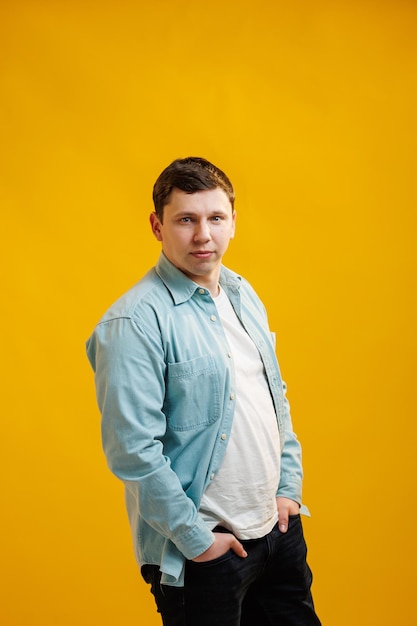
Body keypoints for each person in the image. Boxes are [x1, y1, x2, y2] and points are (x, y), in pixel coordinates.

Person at [86, 157, 321, 626]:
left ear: (233, 220)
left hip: (276, 532)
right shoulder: (133, 322)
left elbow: (275, 394)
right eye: (186, 220)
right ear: (157, 225)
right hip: (205, 553)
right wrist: (197, 540)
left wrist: (288, 490)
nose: (203, 235)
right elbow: (133, 452)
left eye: (215, 218)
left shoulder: (241, 293)